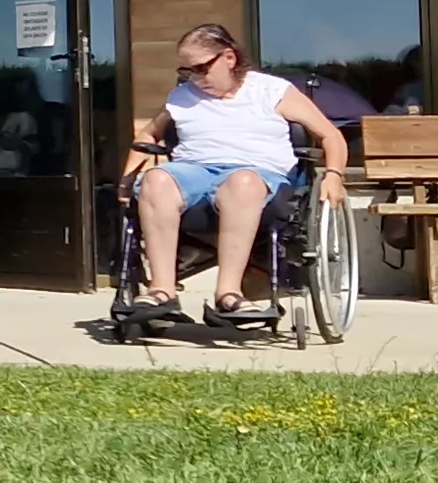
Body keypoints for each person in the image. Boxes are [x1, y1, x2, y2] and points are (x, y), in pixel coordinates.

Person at [124, 23, 353, 326]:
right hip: (194, 171)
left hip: (257, 174)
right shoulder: (181, 96)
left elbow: (330, 135)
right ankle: (162, 291)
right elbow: (147, 136)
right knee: (155, 180)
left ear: (228, 58)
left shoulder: (271, 90)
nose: (194, 77)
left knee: (241, 183)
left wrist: (334, 175)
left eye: (201, 68)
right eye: (187, 69)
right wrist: (127, 178)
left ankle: (229, 295)